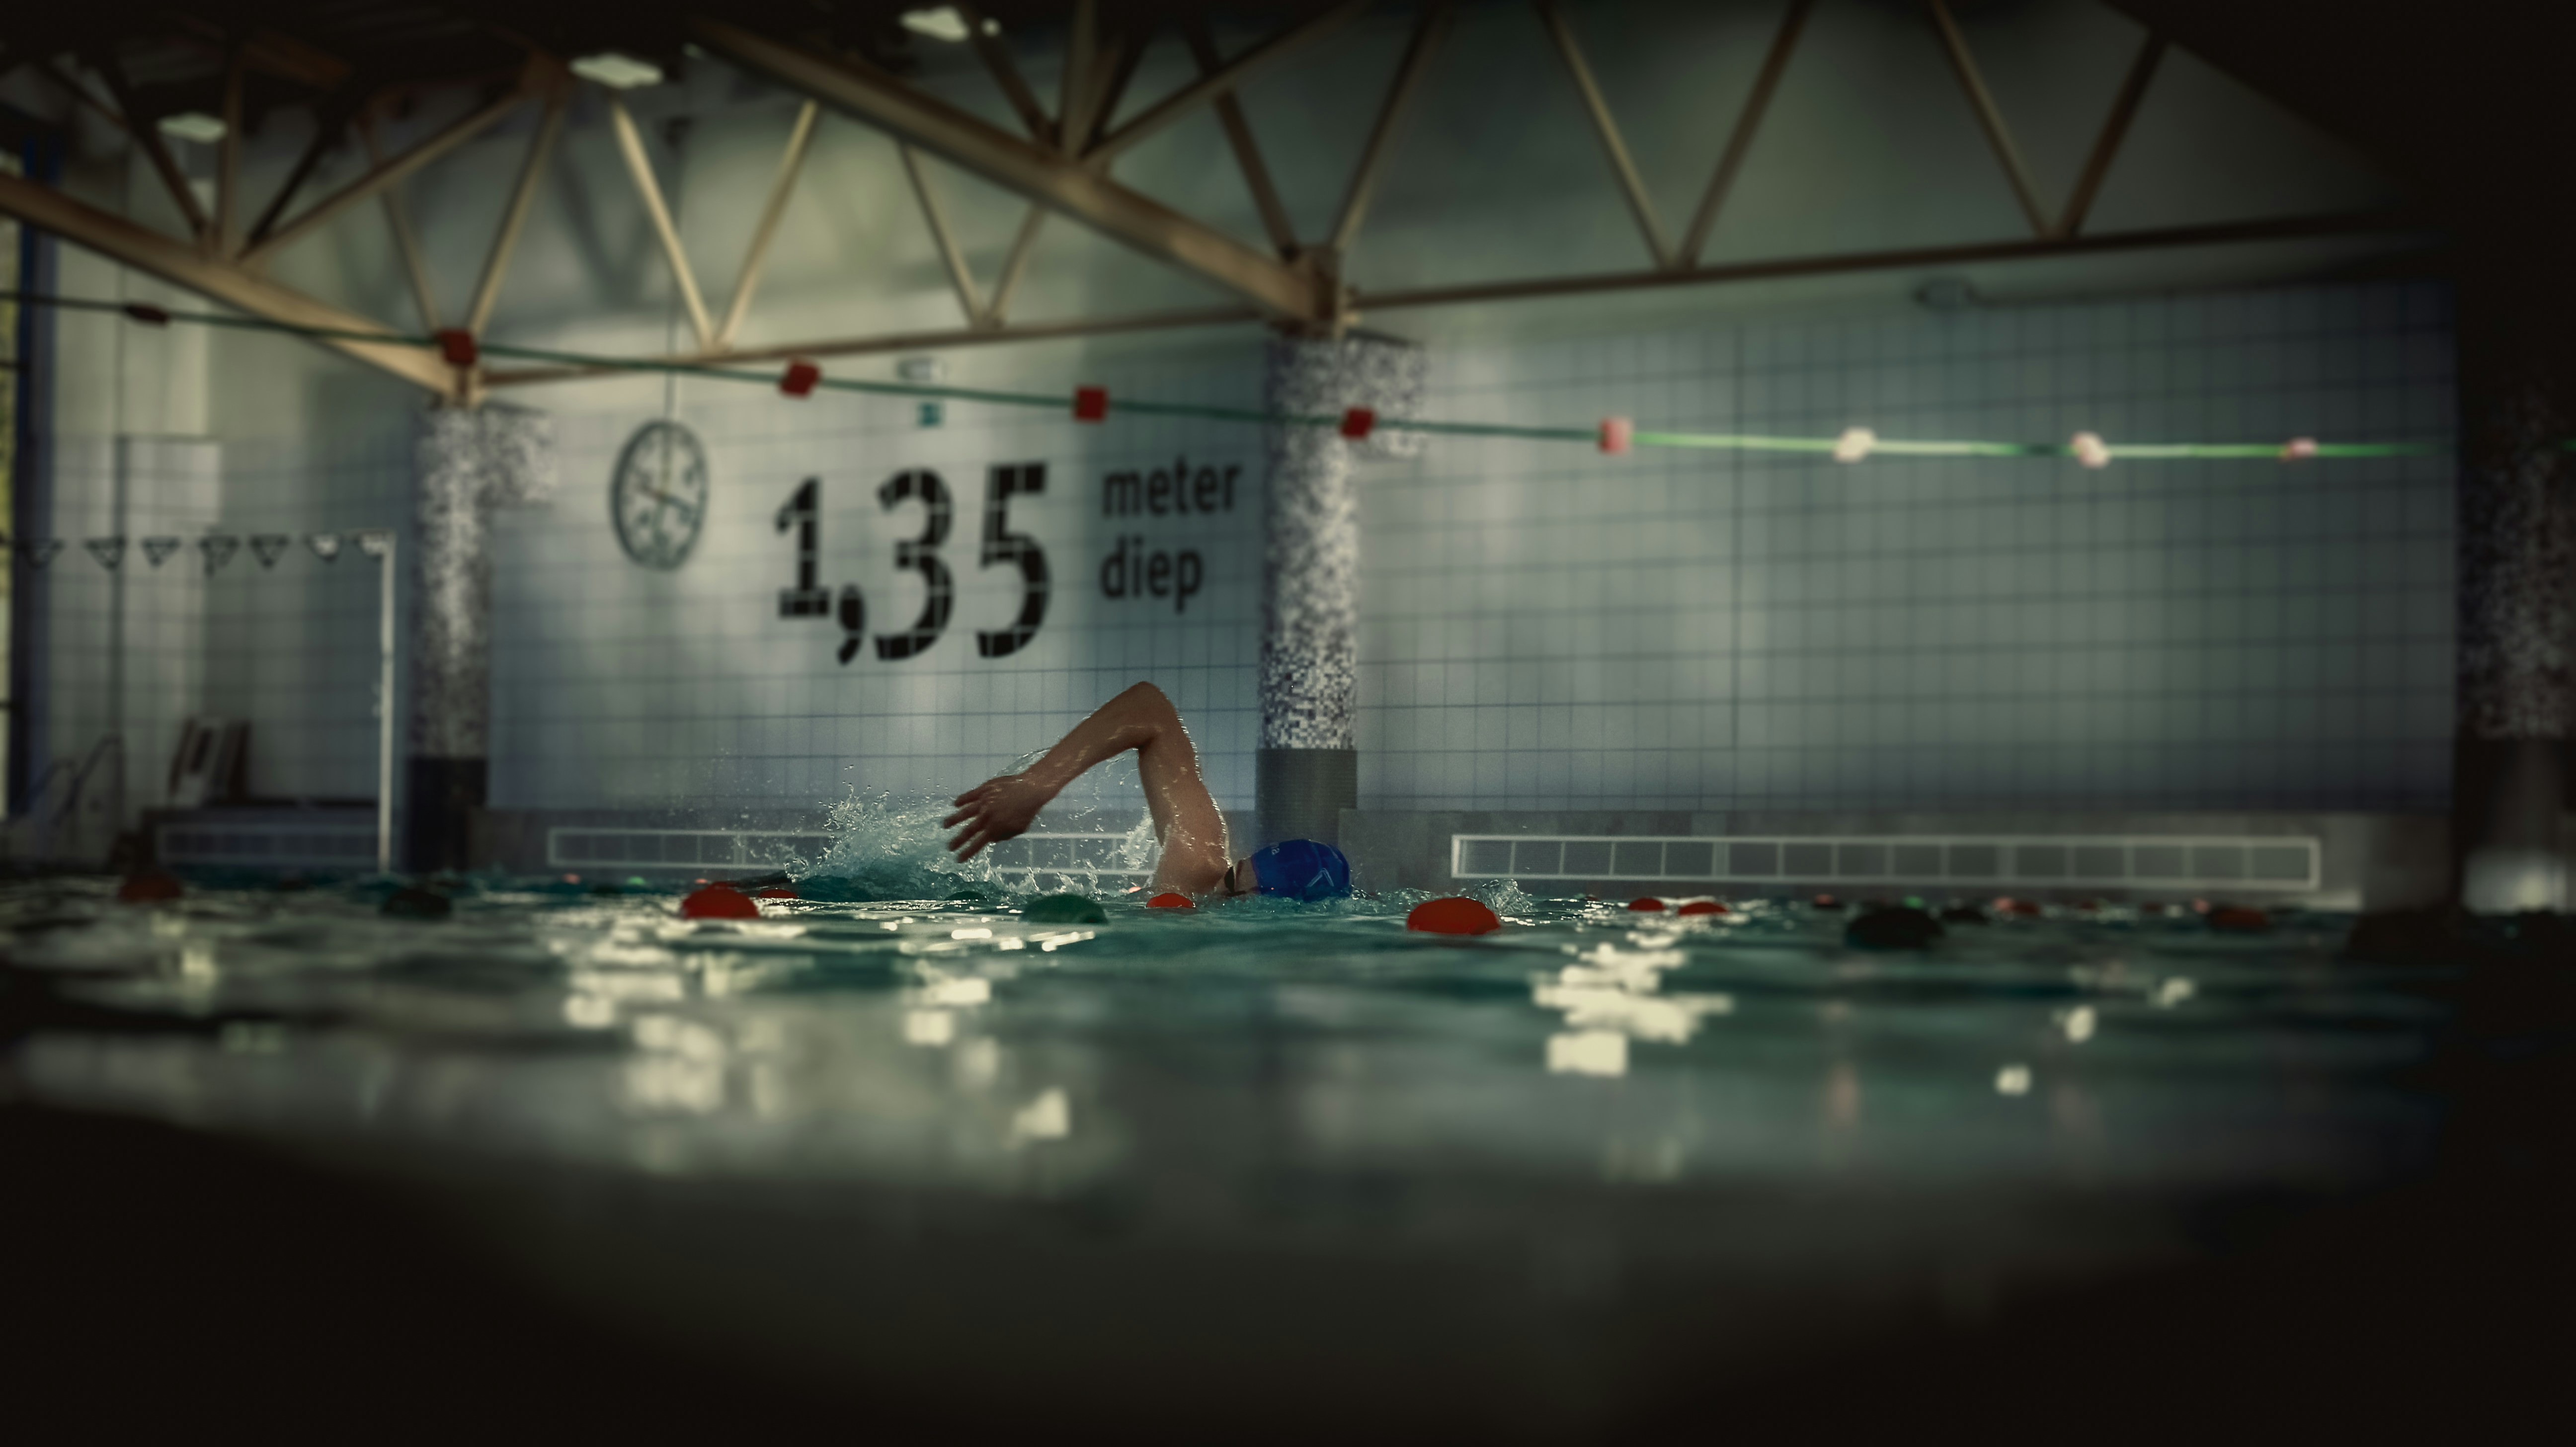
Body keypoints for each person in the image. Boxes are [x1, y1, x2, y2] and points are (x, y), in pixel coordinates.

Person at [943, 682, 1350, 900]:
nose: (1218, 891)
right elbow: (1150, 708)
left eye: (1236, 892)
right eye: (1231, 879)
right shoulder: (1199, 859)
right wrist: (1035, 785)